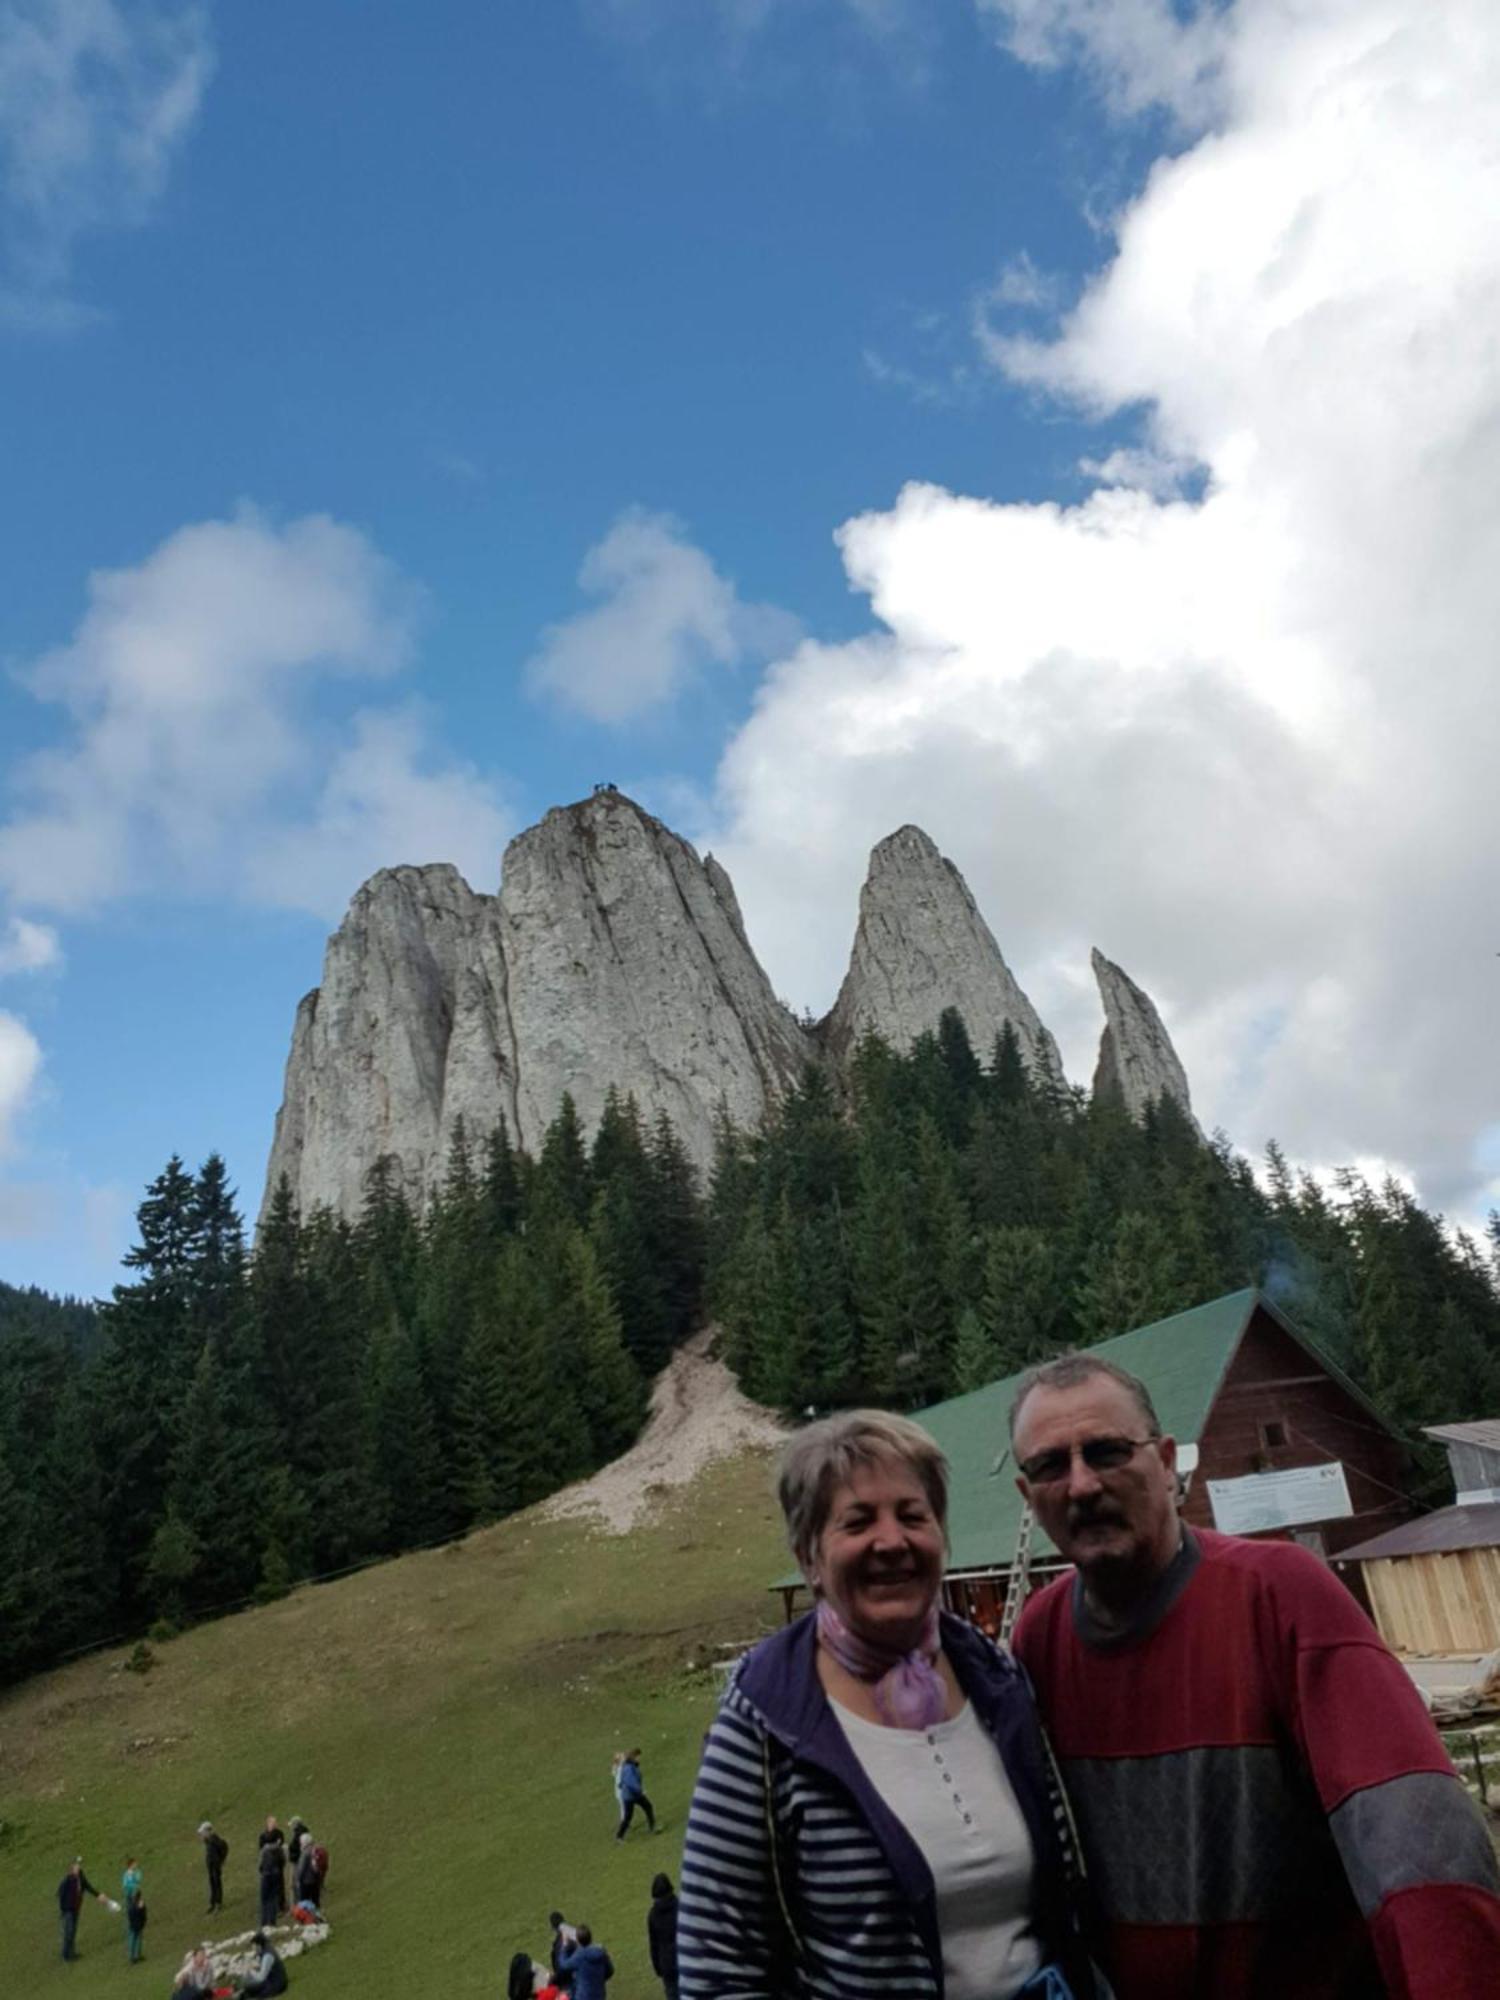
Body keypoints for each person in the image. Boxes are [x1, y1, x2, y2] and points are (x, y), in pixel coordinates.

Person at [1009, 1350, 1500, 1999]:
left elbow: (1420, 1851)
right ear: (1027, 1495)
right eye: (1050, 1466)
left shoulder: (1279, 1594)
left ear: (1164, 1461)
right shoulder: (1036, 1642)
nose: (1080, 1485)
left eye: (1106, 1452)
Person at [678, 1409, 1098, 1999]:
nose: (892, 1541)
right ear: (808, 1557)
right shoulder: (765, 1715)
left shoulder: (995, 1675)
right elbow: (716, 1969)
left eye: (912, 1516)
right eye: (857, 1522)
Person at [57, 1857, 107, 1961]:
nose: (78, 1868)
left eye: (78, 1866)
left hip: (76, 1908)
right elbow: (60, 1895)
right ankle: (66, 1954)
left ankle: (72, 1953)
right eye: (76, 1866)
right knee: (69, 1931)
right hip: (68, 1910)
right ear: (71, 1869)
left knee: (73, 1930)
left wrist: (98, 1895)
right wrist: (63, 1909)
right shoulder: (67, 1881)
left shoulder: (81, 1877)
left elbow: (87, 1886)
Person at [557, 1924, 613, 2000]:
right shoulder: (601, 1953)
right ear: (590, 1938)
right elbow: (610, 1972)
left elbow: (563, 1964)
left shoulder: (579, 1956)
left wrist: (565, 1946)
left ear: (577, 1940)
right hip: (599, 1996)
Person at [647, 1872, 680, 2000]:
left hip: (667, 1964)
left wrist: (657, 1967)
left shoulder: (653, 1915)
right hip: (683, 1958)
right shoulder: (680, 1907)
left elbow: (653, 1944)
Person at [614, 1746, 656, 1839]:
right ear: (633, 1757)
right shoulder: (629, 1768)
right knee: (628, 1817)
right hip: (630, 1796)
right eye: (638, 1756)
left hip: (632, 1794)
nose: (639, 1758)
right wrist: (640, 1790)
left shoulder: (631, 1766)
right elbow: (630, 1782)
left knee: (648, 1806)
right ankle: (619, 1836)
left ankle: (652, 1827)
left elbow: (622, 1782)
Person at [239, 1930, 289, 1996]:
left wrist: (250, 1971)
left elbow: (261, 1978)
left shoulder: (267, 1955)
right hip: (274, 1981)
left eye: (254, 1946)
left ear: (258, 1945)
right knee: (248, 1987)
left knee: (248, 1987)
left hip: (277, 1984)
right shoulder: (267, 1950)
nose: (253, 1949)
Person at [258, 1815, 288, 1914]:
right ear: (268, 1824)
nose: (274, 1825)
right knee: (270, 1887)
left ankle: (281, 1905)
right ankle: (273, 1907)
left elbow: (281, 1846)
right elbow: (262, 1850)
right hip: (267, 1865)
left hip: (277, 1864)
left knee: (280, 1886)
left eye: (275, 1823)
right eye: (272, 1823)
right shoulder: (263, 1836)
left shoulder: (279, 1833)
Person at [257, 1828, 285, 1929]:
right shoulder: (279, 1849)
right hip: (277, 1873)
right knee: (273, 1897)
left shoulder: (264, 1850)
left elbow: (260, 1864)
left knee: (265, 1899)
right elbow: (283, 1860)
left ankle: (264, 1922)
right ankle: (273, 1921)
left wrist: (262, 1870)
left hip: (266, 1875)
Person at [198, 1822, 228, 1913]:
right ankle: (213, 1902)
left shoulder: (215, 1840)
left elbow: (224, 1847)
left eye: (203, 1833)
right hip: (210, 1866)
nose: (202, 1835)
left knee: (216, 1882)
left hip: (216, 1865)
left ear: (208, 1831)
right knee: (212, 1883)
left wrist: (221, 1860)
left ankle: (218, 1902)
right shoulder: (208, 1842)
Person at [548, 1909, 578, 1992]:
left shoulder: (559, 1944)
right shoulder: (574, 1935)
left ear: (552, 1927)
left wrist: (553, 1980)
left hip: (569, 1984)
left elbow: (561, 1968)